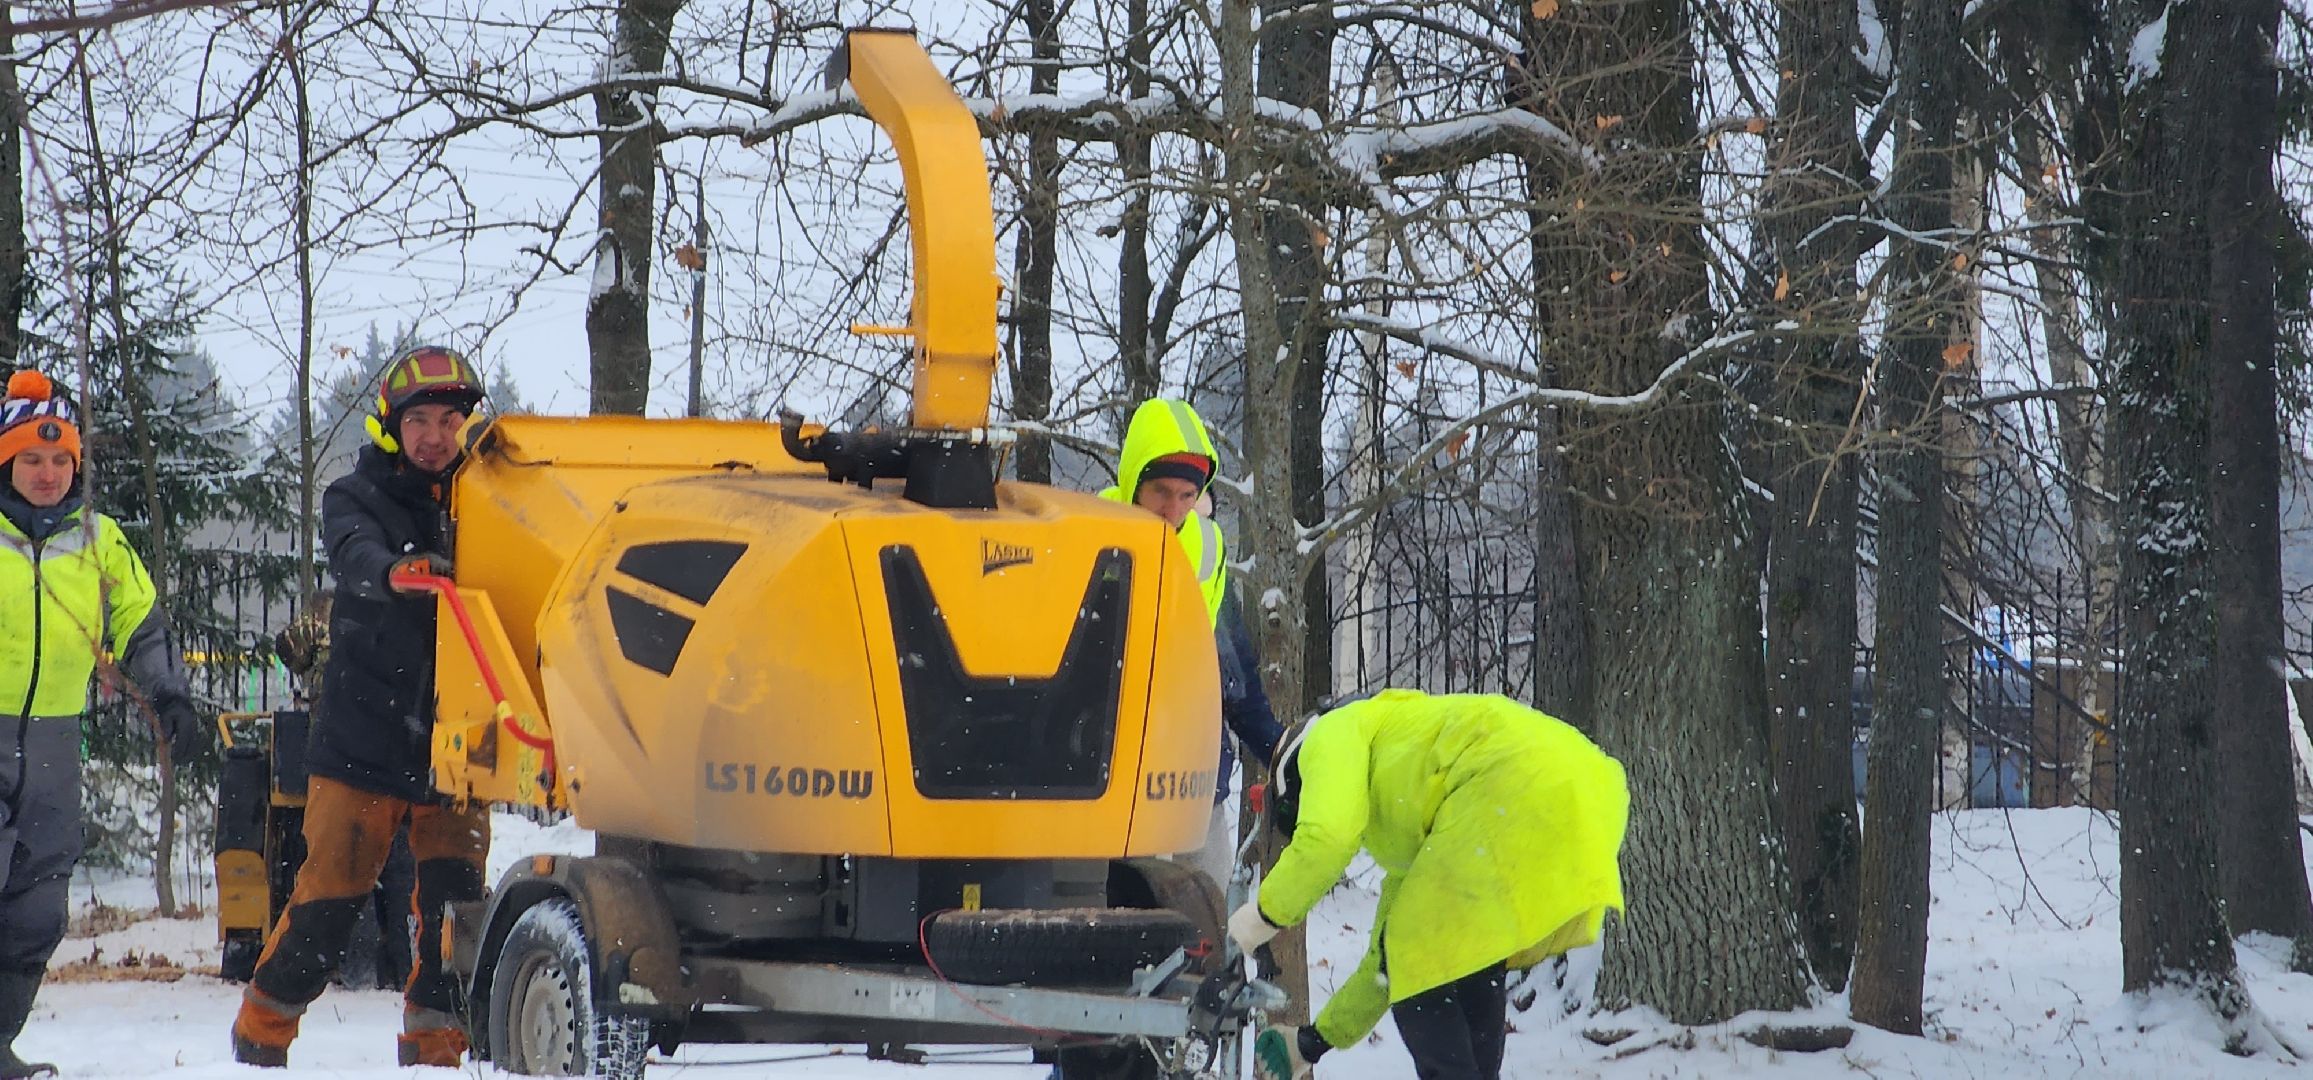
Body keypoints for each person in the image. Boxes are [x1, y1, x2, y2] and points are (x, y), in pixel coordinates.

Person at [232, 345, 489, 1069]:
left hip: (459, 738)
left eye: (449, 420)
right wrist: (394, 571)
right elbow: (355, 555)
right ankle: (259, 1038)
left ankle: (436, 1046)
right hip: (363, 735)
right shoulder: (354, 494)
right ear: (392, 426)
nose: (435, 436)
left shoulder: (489, 497)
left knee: (452, 908)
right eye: (420, 422)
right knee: (329, 900)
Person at [1227, 690, 1630, 1080]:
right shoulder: (1413, 781)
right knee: (1465, 958)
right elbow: (1385, 964)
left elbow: (1328, 837)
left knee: (1423, 964)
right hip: (1588, 786)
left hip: (1512, 782)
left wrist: (1265, 914)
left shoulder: (1333, 733)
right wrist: (1310, 1044)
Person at [0, 369, 205, 1080]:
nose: (49, 473)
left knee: (36, 914)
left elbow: (141, 625)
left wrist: (170, 695)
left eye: (61, 461)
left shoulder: (99, 540)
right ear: (6, 460)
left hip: (55, 750)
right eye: (32, 459)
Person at [1100, 398, 1284, 889]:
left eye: (1187, 493)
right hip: (1115, 777)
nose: (1174, 509)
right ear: (1133, 479)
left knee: (1206, 915)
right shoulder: (1093, 533)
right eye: (1161, 491)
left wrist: (1274, 745)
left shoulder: (1206, 545)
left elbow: (1231, 657)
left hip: (1192, 774)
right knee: (1126, 921)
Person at [273, 592, 417, 993]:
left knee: (355, 868)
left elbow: (289, 647)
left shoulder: (334, 612)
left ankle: (364, 971)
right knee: (398, 868)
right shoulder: (408, 612)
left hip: (350, 763)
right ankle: (402, 970)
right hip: (396, 761)